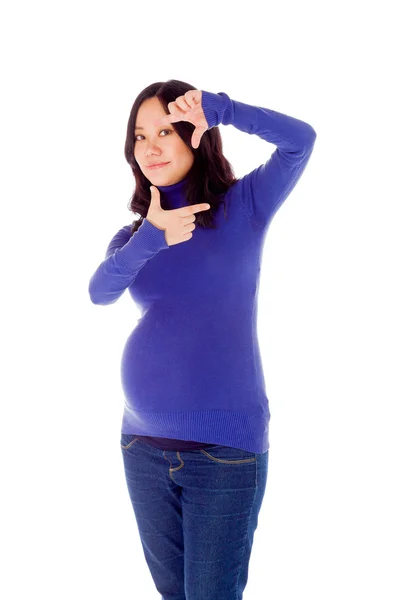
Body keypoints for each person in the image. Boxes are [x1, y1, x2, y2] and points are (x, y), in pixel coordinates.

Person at [88, 79, 316, 600]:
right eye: (139, 135)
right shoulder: (133, 238)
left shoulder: (245, 207)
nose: (149, 146)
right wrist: (152, 234)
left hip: (224, 451)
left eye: (165, 130)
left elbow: (301, 139)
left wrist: (226, 109)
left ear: (195, 133)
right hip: (141, 446)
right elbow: (100, 292)